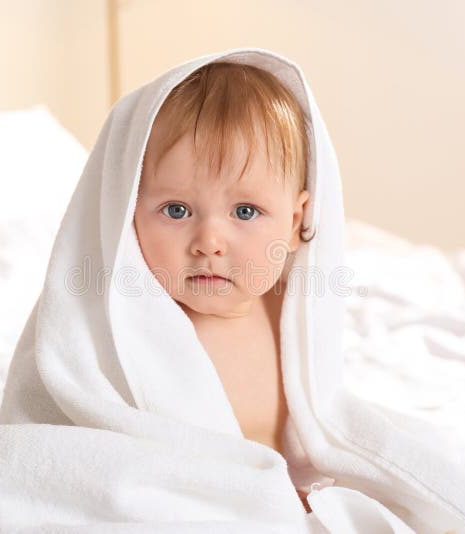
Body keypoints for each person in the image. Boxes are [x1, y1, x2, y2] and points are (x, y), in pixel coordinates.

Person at [132, 61, 330, 514]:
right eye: (177, 210)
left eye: (245, 212)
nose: (208, 243)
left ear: (295, 220)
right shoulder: (135, 327)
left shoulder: (291, 314)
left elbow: (328, 416)